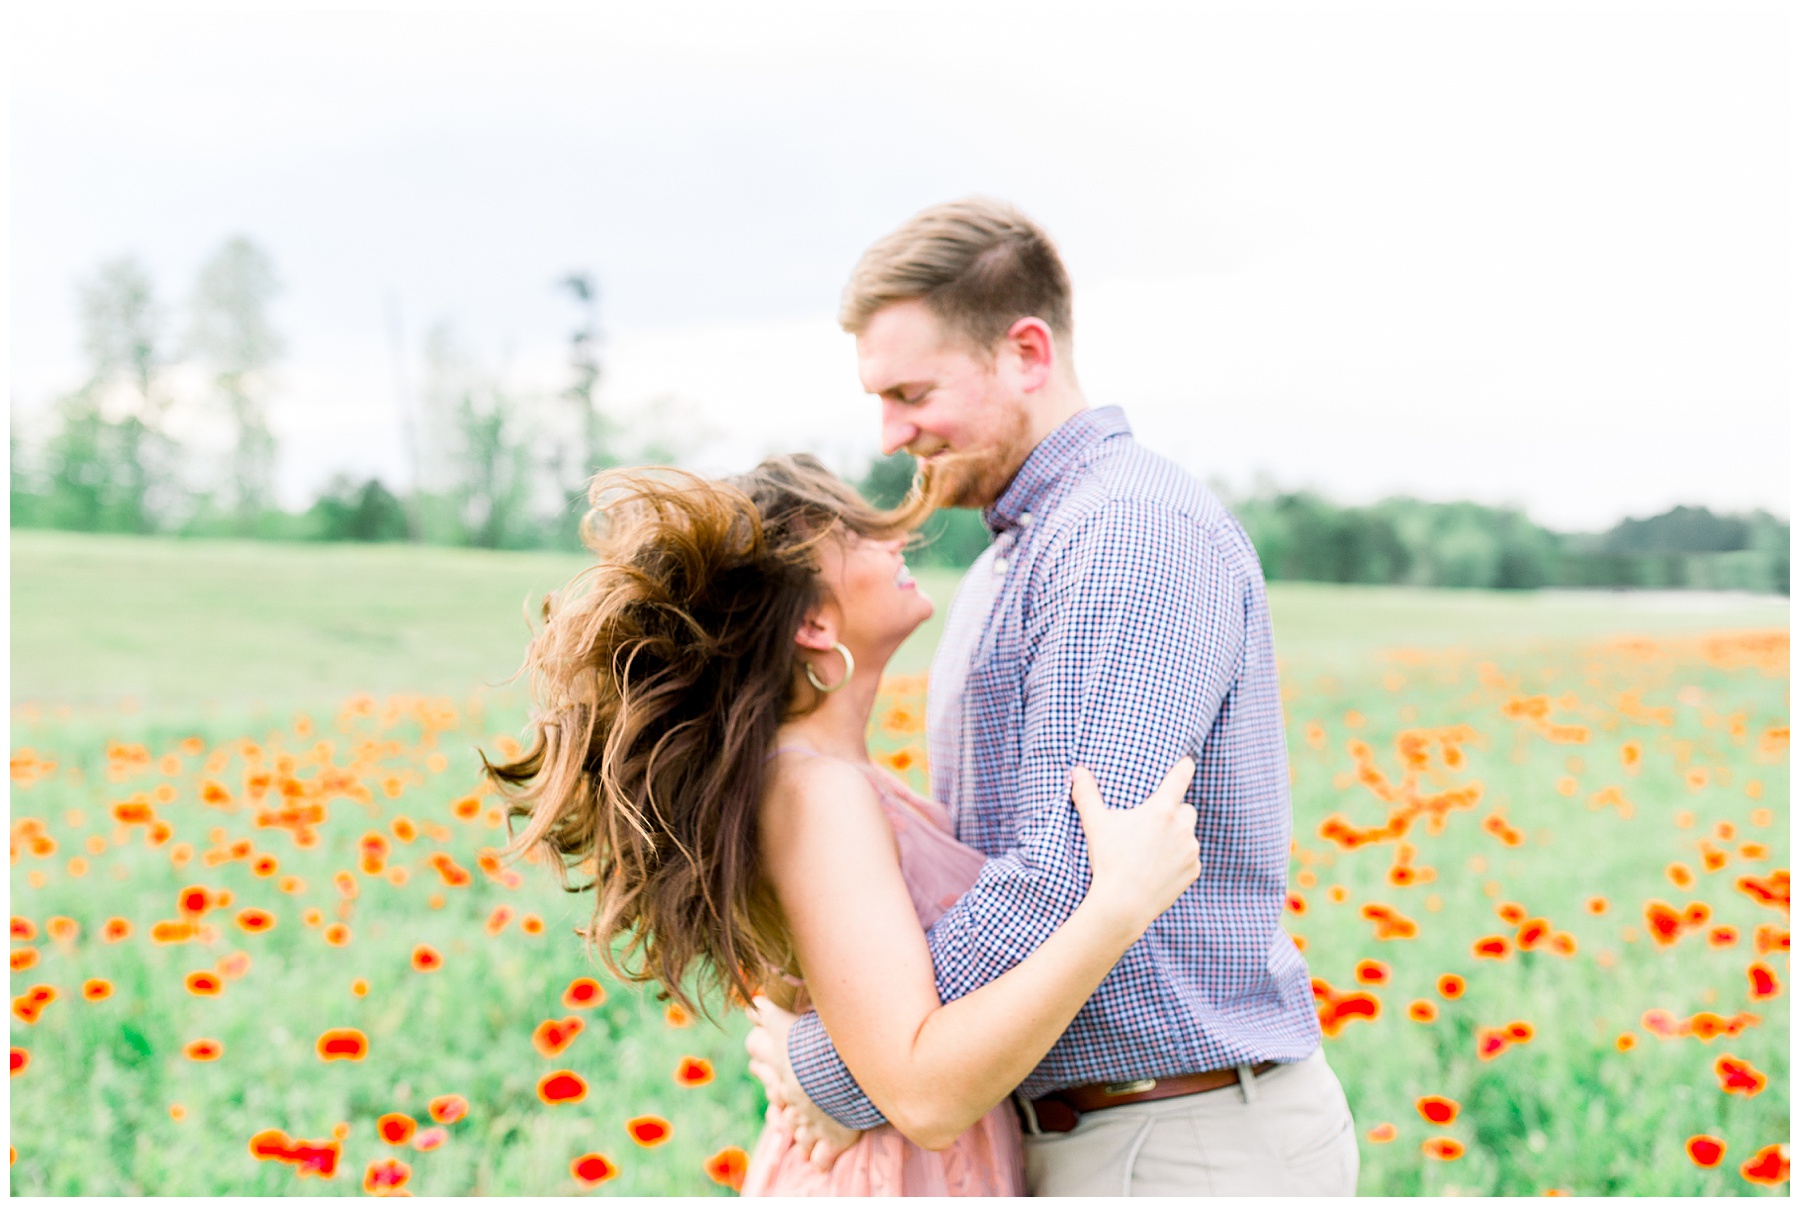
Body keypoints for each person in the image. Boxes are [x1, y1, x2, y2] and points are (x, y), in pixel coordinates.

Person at [745, 198, 1359, 1197]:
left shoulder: (1127, 534)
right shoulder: (1004, 564)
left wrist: (843, 1063)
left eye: (911, 391)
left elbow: (1065, 873)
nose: (893, 433)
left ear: (1025, 351)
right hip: (1083, 1128)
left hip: (1177, 1135)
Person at [482, 454, 1201, 1196]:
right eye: (857, 534)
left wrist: (806, 1055)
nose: (894, 543)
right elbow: (923, 1092)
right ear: (815, 622)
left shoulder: (816, 781)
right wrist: (1117, 906)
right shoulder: (814, 793)